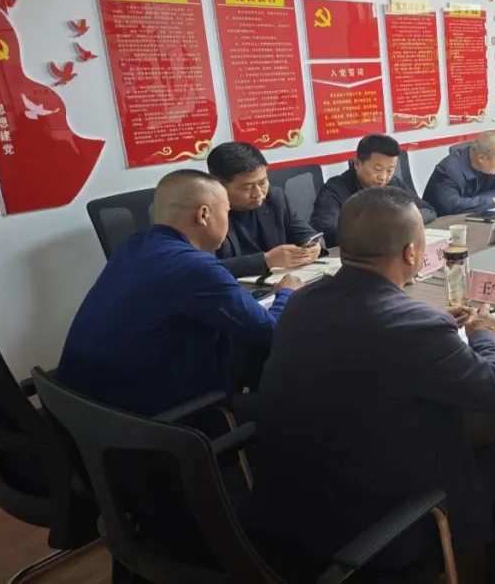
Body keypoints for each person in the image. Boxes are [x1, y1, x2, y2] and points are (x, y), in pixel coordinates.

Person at [245, 187, 495, 584]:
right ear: (411, 253)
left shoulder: (301, 302)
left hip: (289, 507)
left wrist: (437, 329)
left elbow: (367, 346)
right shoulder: (413, 326)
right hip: (375, 525)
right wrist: (484, 333)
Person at [57, 170, 303, 417]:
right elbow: (275, 333)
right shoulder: (197, 268)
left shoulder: (131, 245)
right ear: (203, 215)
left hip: (78, 405)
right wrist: (286, 293)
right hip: (145, 418)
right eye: (226, 212)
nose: (228, 220)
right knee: (299, 394)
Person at [207, 142, 322, 278]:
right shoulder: (204, 215)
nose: (258, 193)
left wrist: (314, 246)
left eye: (262, 182)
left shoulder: (275, 197)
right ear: (218, 185)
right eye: (247, 187)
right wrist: (265, 260)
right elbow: (204, 269)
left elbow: (304, 233)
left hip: (277, 281)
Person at [310, 134, 436, 247]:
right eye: (377, 169)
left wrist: (402, 221)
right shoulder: (334, 190)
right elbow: (328, 230)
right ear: (357, 164)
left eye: (390, 170)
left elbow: (427, 210)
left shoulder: (393, 183)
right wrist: (377, 230)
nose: (383, 177)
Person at [422, 131, 495, 216]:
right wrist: (489, 202)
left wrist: (476, 202)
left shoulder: (492, 165)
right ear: (482, 158)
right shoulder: (448, 170)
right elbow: (452, 205)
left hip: (469, 215)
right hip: (442, 222)